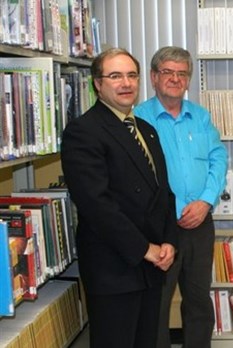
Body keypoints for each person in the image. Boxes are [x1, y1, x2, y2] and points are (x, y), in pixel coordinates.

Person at [61, 48, 178, 348]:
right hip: (114, 268)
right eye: (115, 76)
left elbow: (163, 192)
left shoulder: (146, 130)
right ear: (97, 84)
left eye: (131, 75)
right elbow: (95, 205)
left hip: (151, 267)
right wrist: (144, 249)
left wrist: (168, 242)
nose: (126, 83)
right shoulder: (82, 131)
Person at [134, 46, 228, 348]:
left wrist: (205, 201)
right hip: (160, 228)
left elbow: (219, 158)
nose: (175, 79)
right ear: (153, 77)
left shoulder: (200, 117)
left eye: (181, 73)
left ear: (188, 79)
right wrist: (175, 212)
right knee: (157, 304)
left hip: (200, 222)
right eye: (167, 72)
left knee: (199, 300)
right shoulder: (137, 120)